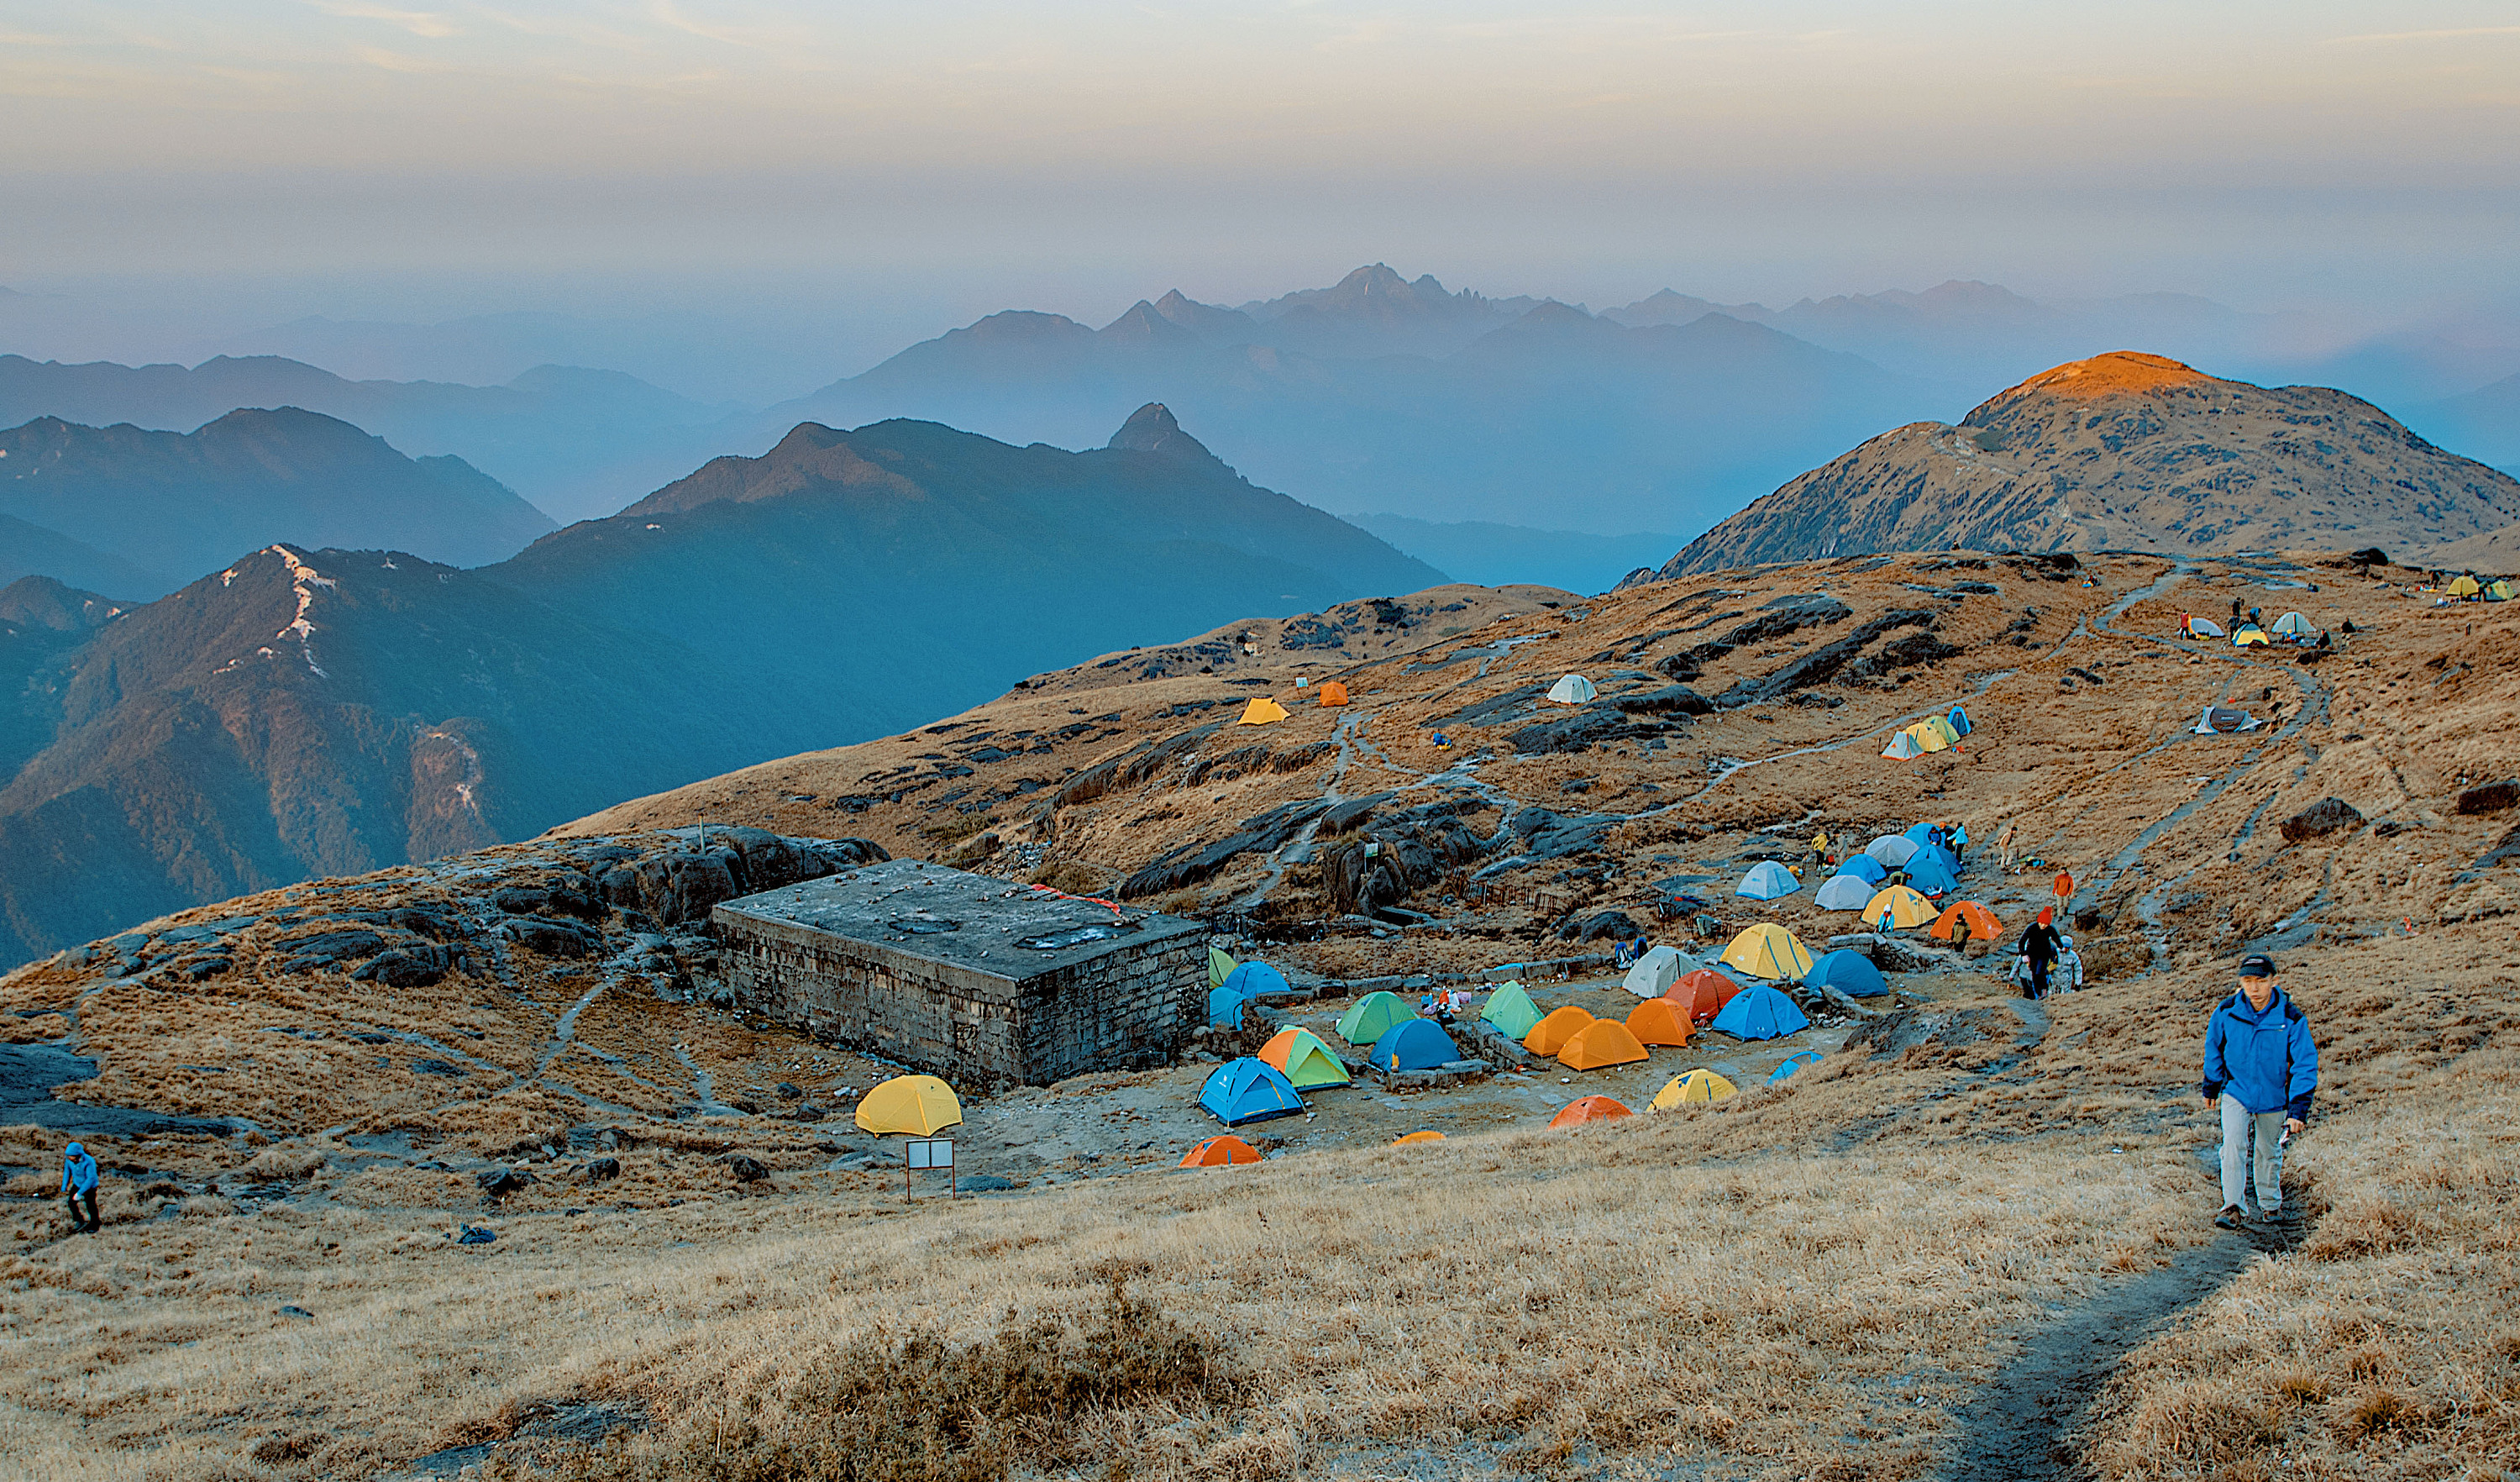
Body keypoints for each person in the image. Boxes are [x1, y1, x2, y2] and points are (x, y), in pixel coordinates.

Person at [2202, 954, 2317, 1229]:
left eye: (2260, 981)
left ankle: (2270, 1205)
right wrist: (2212, 1084)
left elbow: (2305, 1063)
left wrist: (2298, 1108)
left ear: (2274, 981)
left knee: (2268, 1151)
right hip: (2236, 1091)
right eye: (2247, 981)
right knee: (2233, 1146)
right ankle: (2232, 1207)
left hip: (2273, 1096)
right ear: (2240, 982)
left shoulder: (2291, 1017)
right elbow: (2214, 1046)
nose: (2254, 988)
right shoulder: (2227, 1010)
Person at [2018, 908, 2062, 999]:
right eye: (2041, 923)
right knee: (2034, 973)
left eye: (2046, 924)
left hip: (2044, 953)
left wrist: (2061, 947)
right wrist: (2023, 954)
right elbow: (2021, 942)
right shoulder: (2032, 928)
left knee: (2040, 971)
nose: (2043, 926)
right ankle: (2038, 993)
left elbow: (2056, 938)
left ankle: (2044, 990)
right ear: (2038, 921)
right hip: (2032, 953)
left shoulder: (2050, 929)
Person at [60, 1142, 101, 1234]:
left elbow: (91, 1178)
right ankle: (79, 1220)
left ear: (77, 1155)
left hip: (90, 1186)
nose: (68, 1158)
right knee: (71, 1203)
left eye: (70, 1156)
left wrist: (80, 1193)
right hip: (77, 1184)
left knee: (91, 1206)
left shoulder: (89, 1161)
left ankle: (95, 1224)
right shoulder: (69, 1161)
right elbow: (67, 1172)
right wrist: (64, 1186)